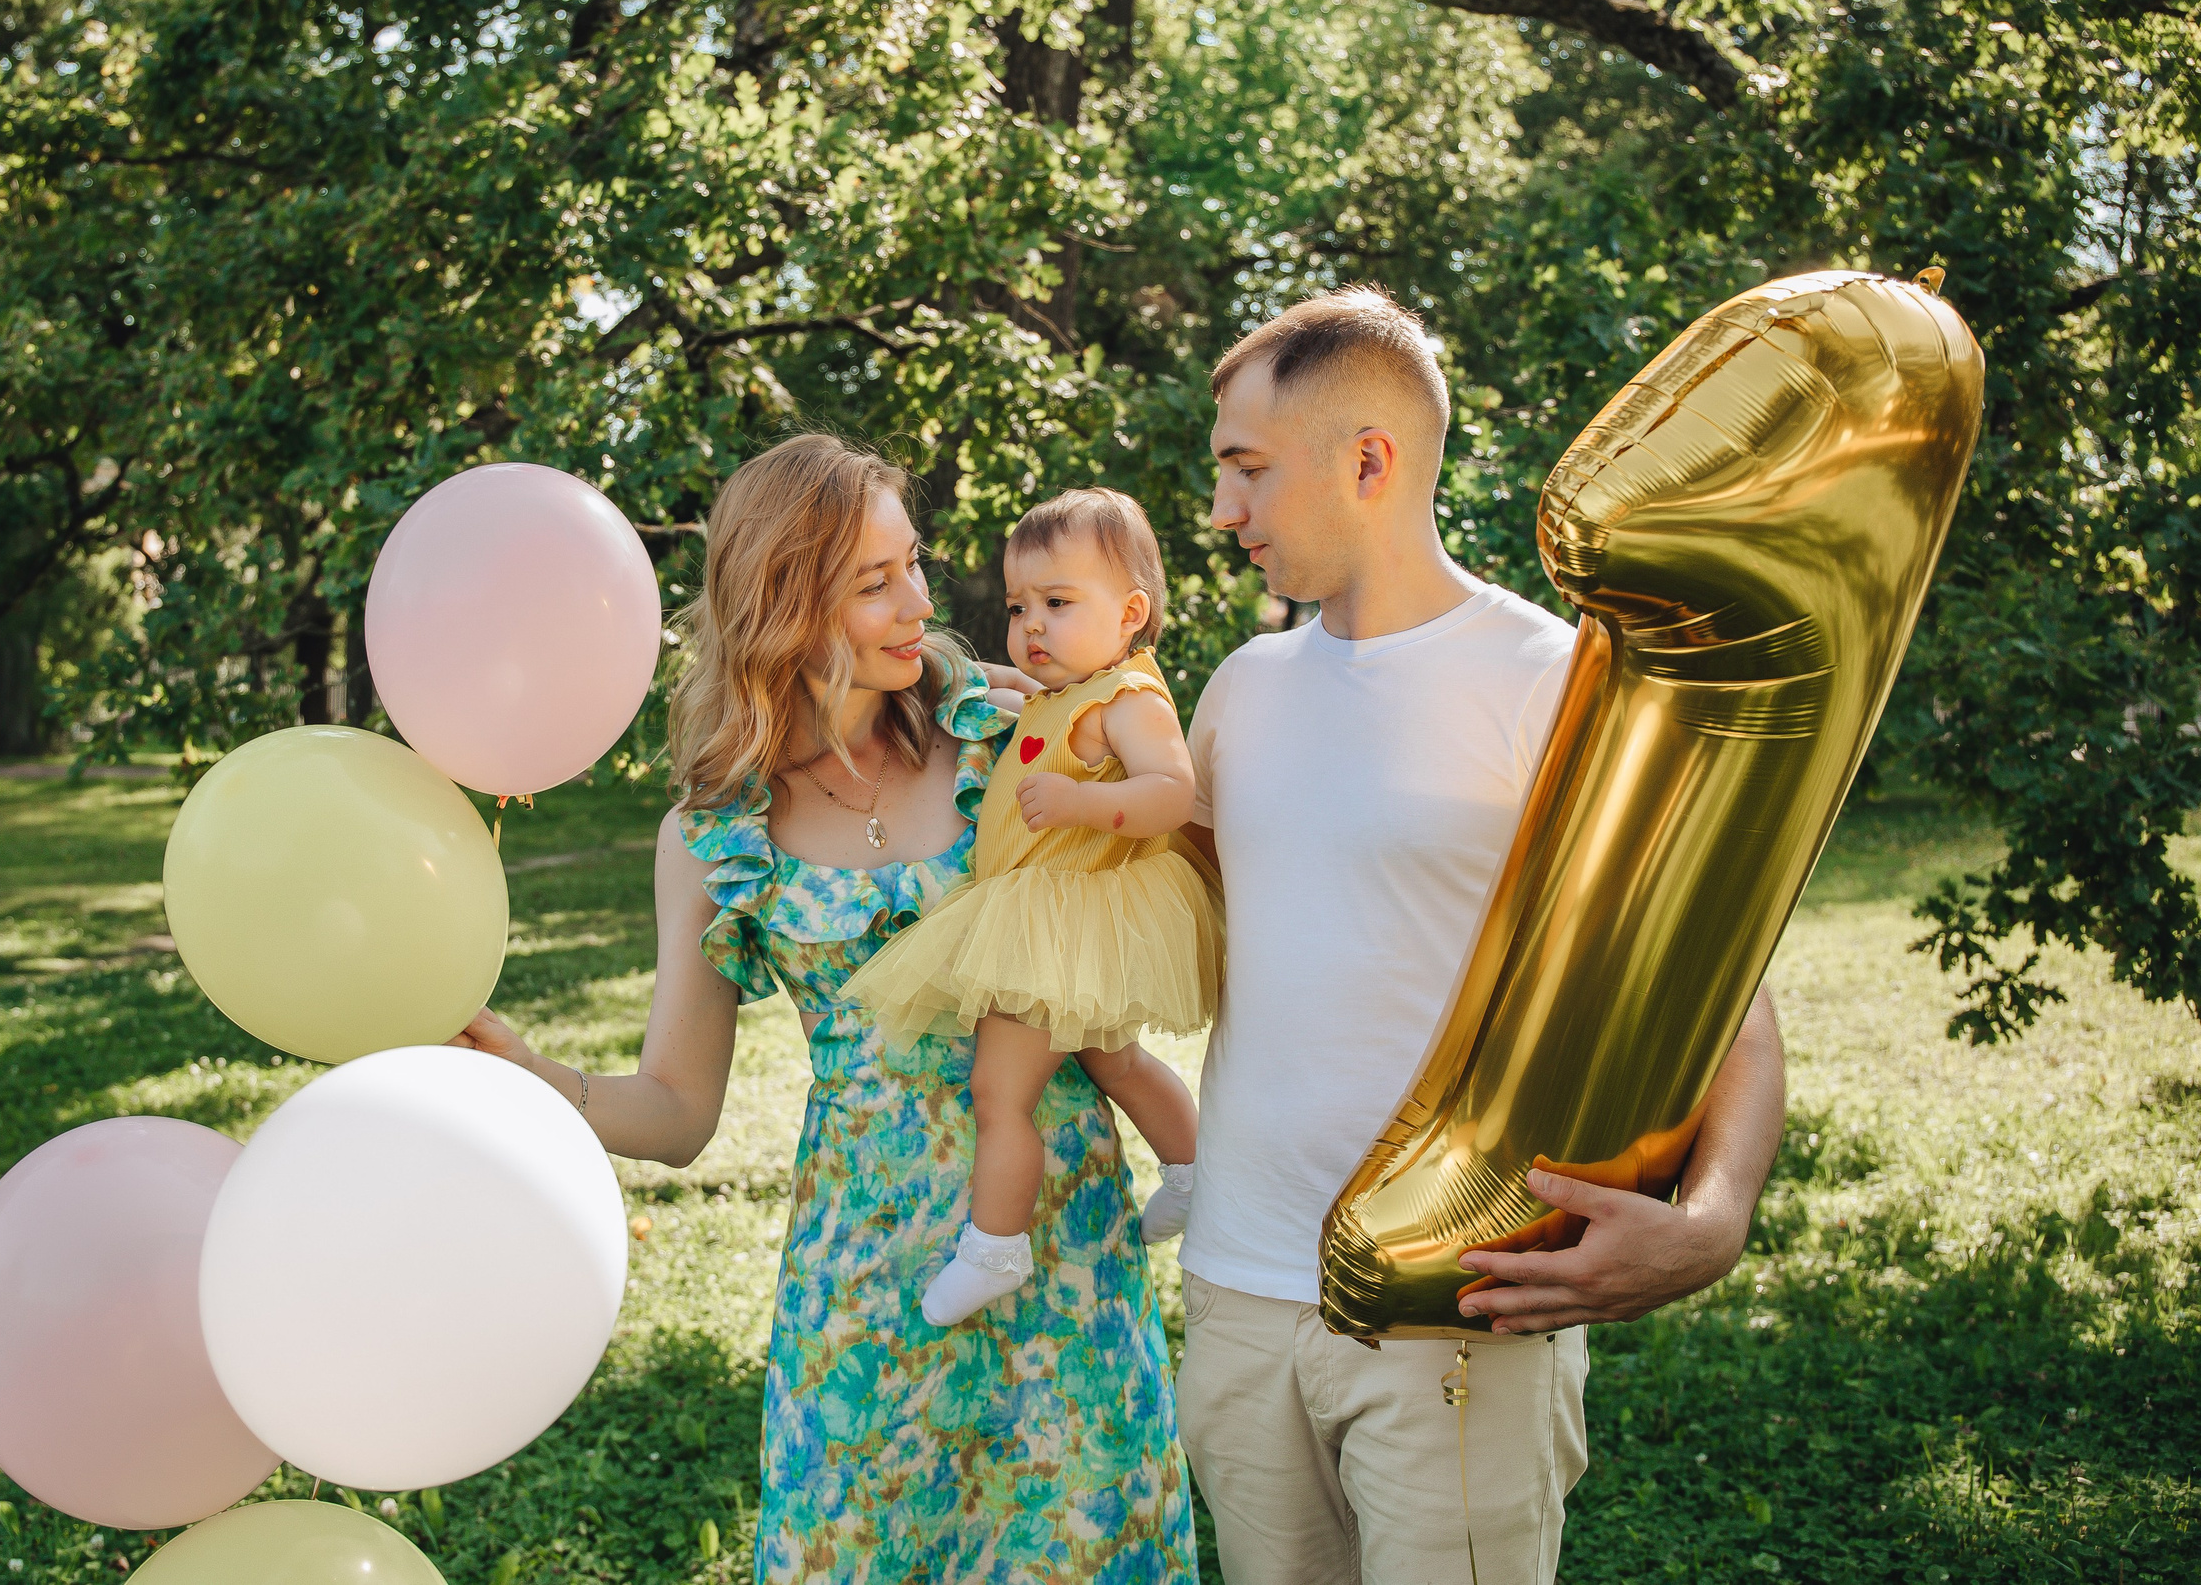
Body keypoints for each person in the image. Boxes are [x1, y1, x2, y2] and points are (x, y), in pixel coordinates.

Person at [448, 436, 1197, 1583]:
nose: (918, 604)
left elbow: (1163, 834)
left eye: (913, 566)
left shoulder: (1003, 730)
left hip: (1061, 1245)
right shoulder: (712, 836)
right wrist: (535, 1075)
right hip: (866, 1276)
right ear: (787, 606)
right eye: (873, 583)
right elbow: (679, 1110)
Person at [1173, 287, 1787, 1584]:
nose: (1222, 510)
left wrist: (1716, 1219)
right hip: (1237, 1290)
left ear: (1368, 459)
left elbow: (1723, 989)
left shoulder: (1553, 681)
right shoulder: (1239, 688)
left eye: (1246, 468)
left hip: (1457, 1309)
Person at [842, 488, 1218, 1326]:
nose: (1031, 626)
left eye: (1057, 603)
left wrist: (1085, 806)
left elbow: (1172, 791)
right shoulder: (1057, 694)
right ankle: (1194, 1170)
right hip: (1053, 916)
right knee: (1113, 1061)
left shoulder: (1127, 698)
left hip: (1064, 913)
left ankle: (995, 1245)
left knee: (998, 1091)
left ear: (1129, 614)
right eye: (1019, 607)